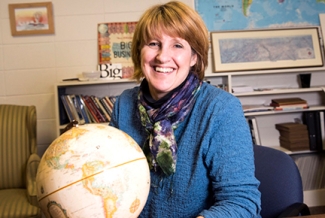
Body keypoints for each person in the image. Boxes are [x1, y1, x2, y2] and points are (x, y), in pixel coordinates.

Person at [109, 1, 261, 217]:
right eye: (153, 43)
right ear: (139, 51)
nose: (162, 56)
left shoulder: (220, 109)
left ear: (194, 57)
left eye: (177, 45)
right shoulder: (124, 104)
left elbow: (242, 203)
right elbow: (109, 182)